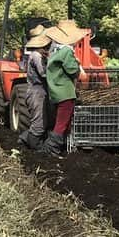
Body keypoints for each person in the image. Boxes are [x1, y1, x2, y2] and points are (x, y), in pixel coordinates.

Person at [41, 20, 87, 156]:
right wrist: (79, 67)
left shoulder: (55, 52)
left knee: (61, 121)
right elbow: (72, 70)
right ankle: (51, 148)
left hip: (56, 92)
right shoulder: (67, 51)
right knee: (62, 123)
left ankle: (58, 147)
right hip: (65, 93)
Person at [17, 25, 52, 151]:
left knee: (43, 121)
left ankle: (23, 139)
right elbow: (43, 73)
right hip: (37, 91)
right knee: (39, 122)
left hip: (37, 90)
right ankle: (36, 147)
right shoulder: (36, 56)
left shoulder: (37, 55)